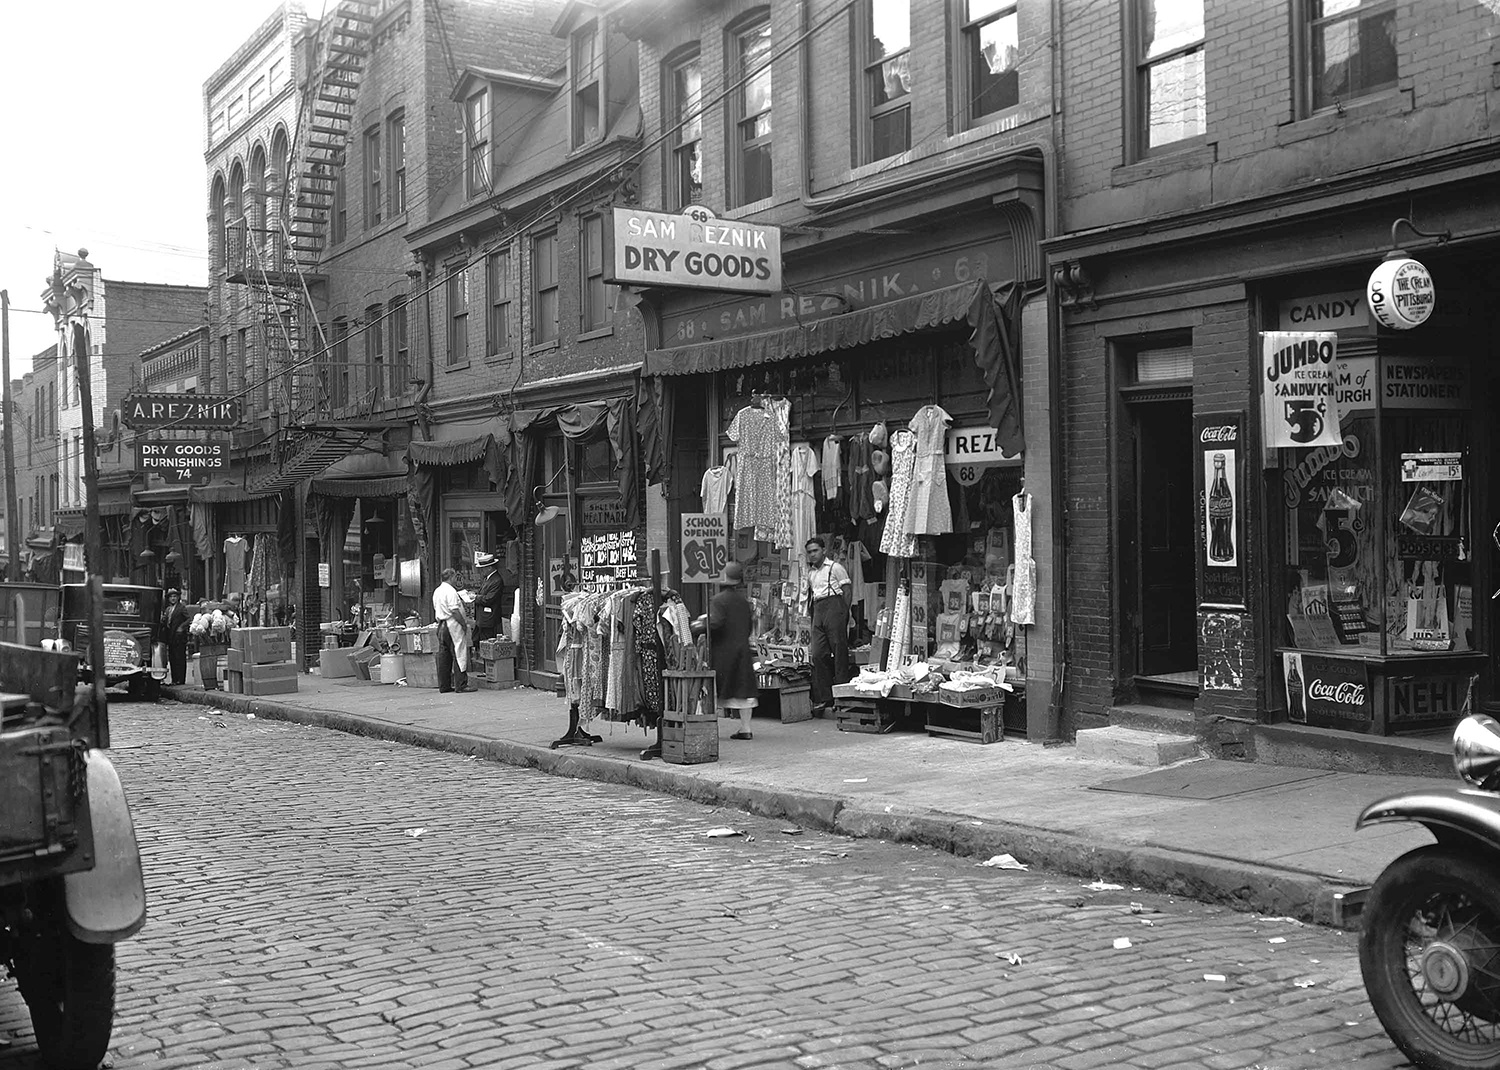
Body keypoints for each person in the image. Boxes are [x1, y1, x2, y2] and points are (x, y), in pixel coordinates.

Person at [695, 560, 757, 740]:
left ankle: (705, 727)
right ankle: (746, 728)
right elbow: (748, 626)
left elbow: (716, 623)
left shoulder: (718, 600)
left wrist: (699, 625)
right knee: (744, 693)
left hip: (724, 653)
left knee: (713, 690)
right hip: (742, 650)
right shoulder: (743, 601)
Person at [805, 536, 852, 712]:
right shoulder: (811, 573)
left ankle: (842, 697)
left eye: (815, 550)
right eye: (809, 552)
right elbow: (812, 595)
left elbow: (847, 592)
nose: (812, 555)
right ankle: (826, 697)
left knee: (839, 653)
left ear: (824, 550)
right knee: (818, 654)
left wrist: (843, 614)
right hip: (818, 610)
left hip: (835, 608)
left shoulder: (835, 568)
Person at [433, 567, 474, 693]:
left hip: (441, 624)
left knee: (444, 656)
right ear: (451, 577)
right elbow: (454, 610)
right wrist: (463, 624)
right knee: (458, 653)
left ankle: (444, 685)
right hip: (452, 625)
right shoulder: (450, 591)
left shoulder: (437, 591)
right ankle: (461, 684)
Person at [472, 550, 509, 643]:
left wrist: (475, 597)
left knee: (487, 641)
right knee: (478, 640)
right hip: (482, 619)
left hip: (489, 619)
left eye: (482, 569)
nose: (481, 571)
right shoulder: (488, 579)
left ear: (489, 568)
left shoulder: (497, 580)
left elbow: (489, 598)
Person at [161, 588, 191, 686]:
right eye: (171, 597)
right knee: (172, 658)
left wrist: (181, 627)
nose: (173, 599)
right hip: (170, 637)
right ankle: (174, 679)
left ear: (178, 598)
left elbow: (188, 619)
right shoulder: (168, 609)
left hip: (179, 637)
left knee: (180, 658)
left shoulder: (181, 608)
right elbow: (165, 621)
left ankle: (180, 679)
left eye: (174, 596)